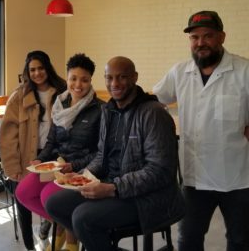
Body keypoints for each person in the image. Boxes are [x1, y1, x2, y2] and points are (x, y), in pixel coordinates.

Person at [46, 57, 185, 251]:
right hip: (113, 184)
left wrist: (112, 188)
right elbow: (101, 156)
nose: (115, 84)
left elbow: (159, 171)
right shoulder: (109, 110)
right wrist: (81, 176)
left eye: (122, 77)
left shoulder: (153, 113)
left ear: (135, 77)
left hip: (148, 198)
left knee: (83, 218)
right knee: (54, 203)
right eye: (109, 78)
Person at [153, 10, 249, 251]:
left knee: (240, 240)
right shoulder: (179, 72)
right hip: (193, 178)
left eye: (208, 36)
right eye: (194, 37)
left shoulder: (244, 71)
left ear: (222, 37)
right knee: (188, 240)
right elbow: (154, 100)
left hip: (238, 179)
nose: (200, 43)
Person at [16, 53, 104, 251]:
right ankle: (66, 225)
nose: (78, 85)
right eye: (73, 78)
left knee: (49, 198)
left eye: (84, 80)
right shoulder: (59, 104)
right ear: (67, 77)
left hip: (80, 171)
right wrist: (40, 159)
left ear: (91, 80)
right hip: (57, 166)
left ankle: (69, 240)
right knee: (22, 192)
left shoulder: (100, 110)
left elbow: (100, 152)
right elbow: (51, 141)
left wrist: (74, 166)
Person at [0, 50, 67, 250]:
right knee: (24, 202)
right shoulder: (19, 97)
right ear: (27, 72)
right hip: (28, 157)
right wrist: (12, 167)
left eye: (41, 68)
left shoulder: (63, 90)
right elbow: (7, 137)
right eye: (32, 70)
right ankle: (29, 246)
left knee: (52, 198)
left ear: (48, 68)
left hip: (56, 155)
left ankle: (49, 229)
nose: (37, 73)